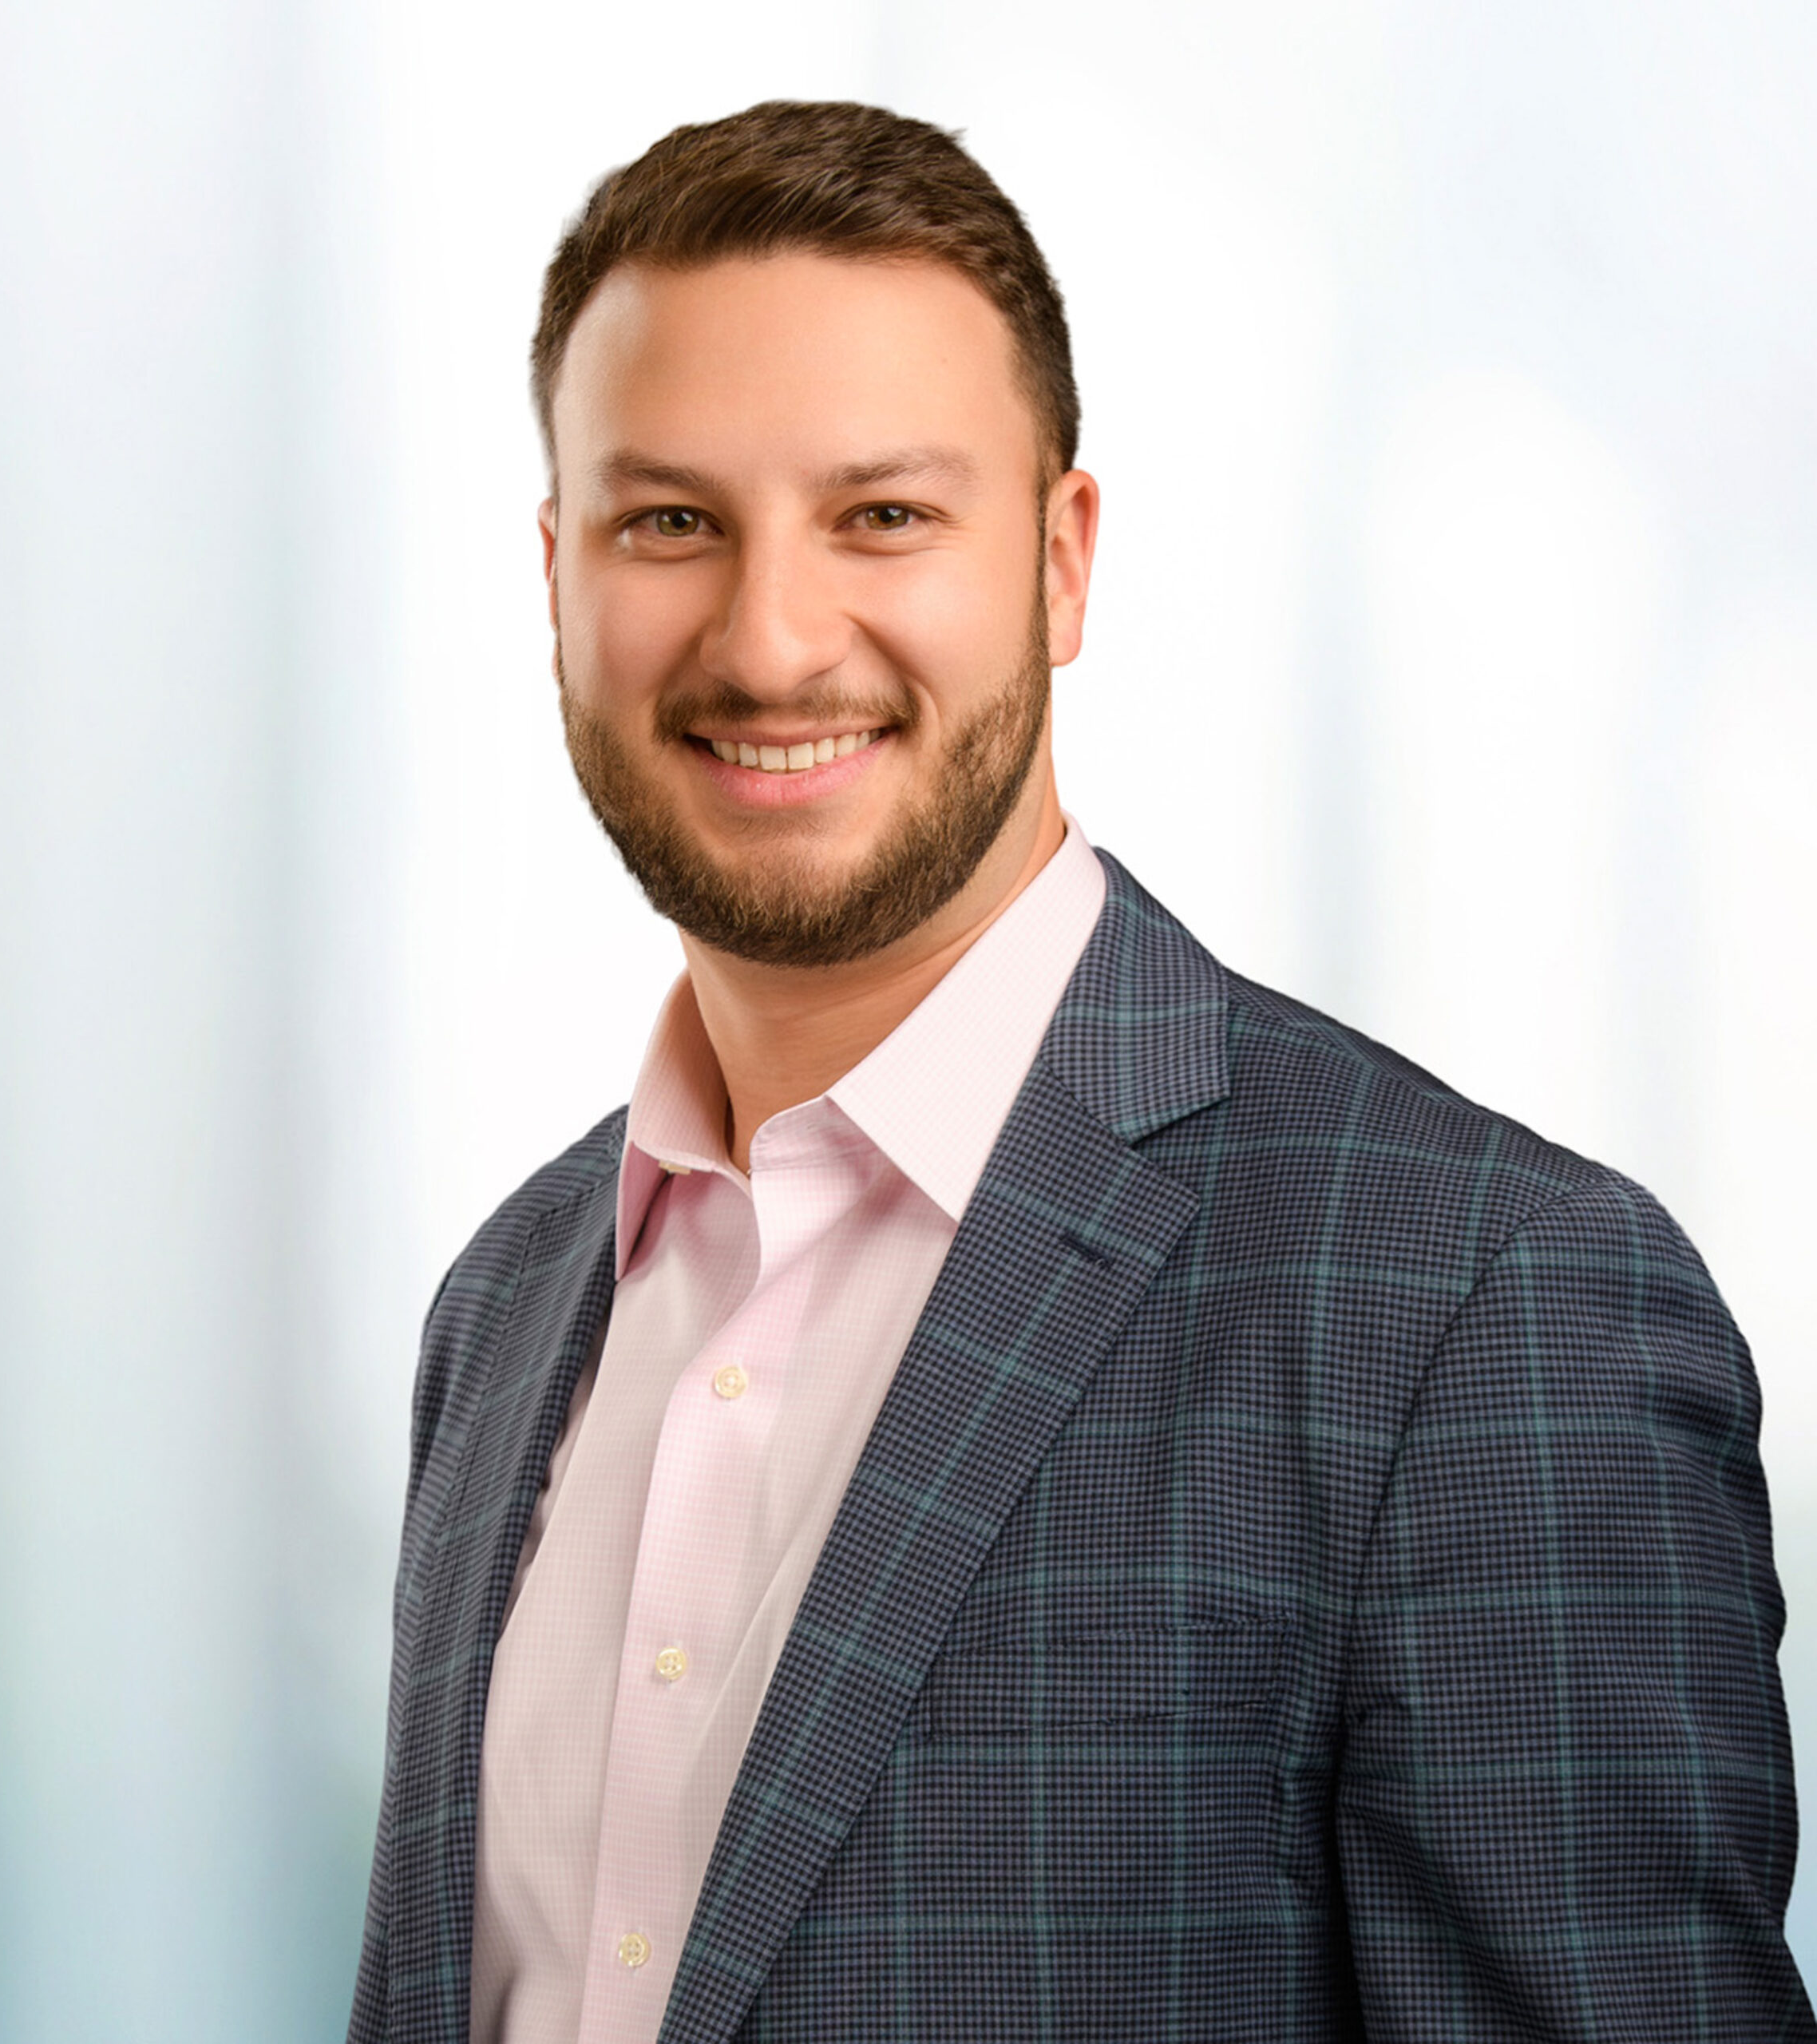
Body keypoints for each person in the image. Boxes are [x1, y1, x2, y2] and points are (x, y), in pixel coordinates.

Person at [347, 101, 1812, 2043]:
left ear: (1060, 559)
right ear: (556, 574)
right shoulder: (508, 1302)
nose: (771, 637)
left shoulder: (1479, 1303)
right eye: (669, 520)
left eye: (882, 514)